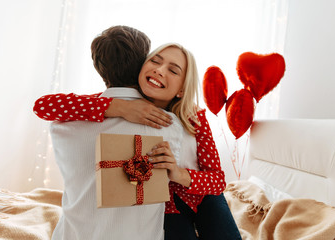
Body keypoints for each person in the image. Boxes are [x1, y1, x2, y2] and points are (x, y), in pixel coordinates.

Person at [34, 32, 242, 240]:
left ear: (181, 90)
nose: (160, 71)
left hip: (199, 196)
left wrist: (178, 174)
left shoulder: (194, 117)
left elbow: (217, 181)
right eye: (155, 61)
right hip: (164, 208)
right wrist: (119, 107)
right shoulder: (120, 101)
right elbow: (43, 106)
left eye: (173, 70)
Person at [44, 25, 185, 240]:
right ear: (142, 65)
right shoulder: (168, 124)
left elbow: (44, 106)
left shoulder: (62, 122)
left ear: (98, 68)